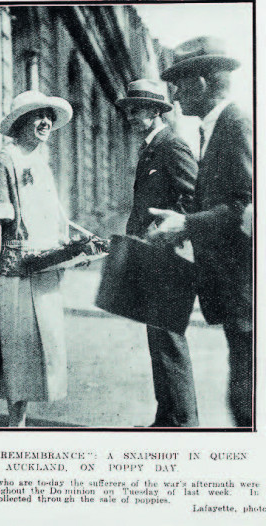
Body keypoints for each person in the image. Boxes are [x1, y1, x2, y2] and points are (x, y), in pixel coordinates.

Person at [148, 37, 253, 427]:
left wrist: (187, 223)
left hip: (243, 288)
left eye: (179, 83)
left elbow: (248, 206)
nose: (173, 94)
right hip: (234, 288)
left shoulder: (236, 124)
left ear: (202, 85)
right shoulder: (219, 127)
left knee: (247, 398)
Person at [0, 90, 73, 427]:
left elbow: (55, 221)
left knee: (43, 349)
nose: (45, 121)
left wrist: (73, 250)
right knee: (17, 355)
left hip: (45, 269)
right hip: (16, 273)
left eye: (48, 115)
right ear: (20, 123)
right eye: (37, 115)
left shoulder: (41, 164)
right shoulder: (4, 162)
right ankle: (15, 424)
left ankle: (22, 419)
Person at [115, 79, 199, 427]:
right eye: (128, 110)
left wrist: (176, 228)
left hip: (169, 258)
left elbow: (196, 196)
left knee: (169, 343)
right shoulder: (152, 147)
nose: (131, 116)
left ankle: (184, 426)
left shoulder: (171, 145)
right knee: (158, 341)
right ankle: (166, 420)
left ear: (153, 110)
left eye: (136, 109)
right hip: (150, 257)